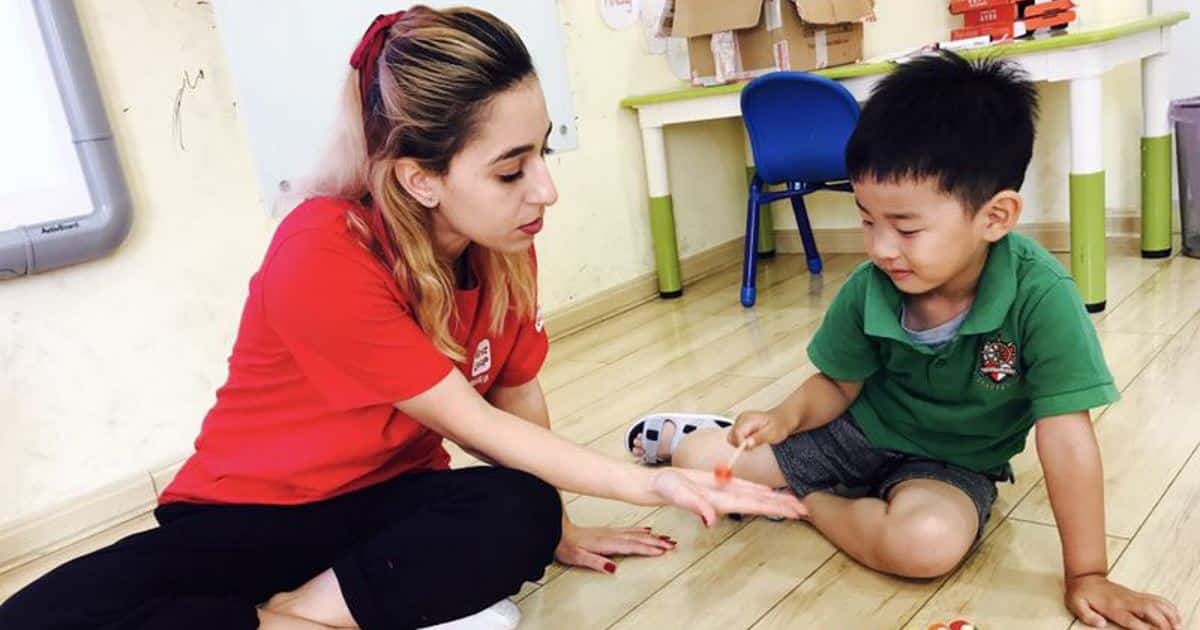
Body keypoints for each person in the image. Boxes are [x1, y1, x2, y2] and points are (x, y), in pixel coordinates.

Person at [0, 7, 803, 630]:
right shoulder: (322, 248)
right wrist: (649, 482)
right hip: (252, 514)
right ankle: (301, 612)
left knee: (519, 510)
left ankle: (297, 612)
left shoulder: (502, 242)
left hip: (385, 503)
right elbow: (470, 422)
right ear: (421, 179)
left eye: (544, 152)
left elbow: (515, 398)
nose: (545, 190)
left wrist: (558, 527)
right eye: (512, 170)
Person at [629, 52, 1182, 630]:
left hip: (951, 465)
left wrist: (1087, 573)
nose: (880, 248)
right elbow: (837, 384)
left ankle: (808, 503)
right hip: (853, 436)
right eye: (867, 220)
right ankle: (720, 441)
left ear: (995, 217)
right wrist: (782, 418)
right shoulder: (871, 286)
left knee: (926, 545)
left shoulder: (1041, 297)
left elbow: (1067, 439)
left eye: (907, 228)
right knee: (695, 461)